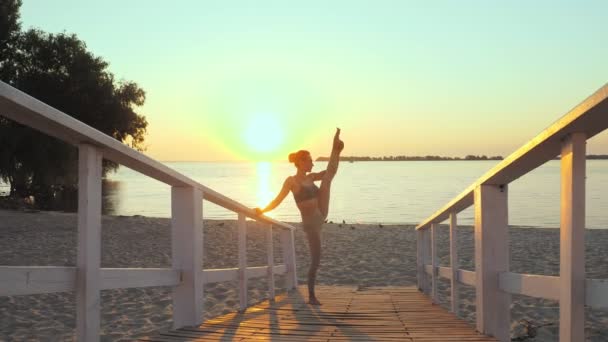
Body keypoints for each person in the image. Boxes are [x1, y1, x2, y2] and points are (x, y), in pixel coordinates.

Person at [254, 128, 344, 305]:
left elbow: (330, 172)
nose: (312, 163)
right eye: (310, 160)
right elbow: (277, 199)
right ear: (301, 162)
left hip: (321, 211)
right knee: (316, 259)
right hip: (311, 224)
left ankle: (335, 149)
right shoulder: (291, 182)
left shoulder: (311, 178)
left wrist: (335, 154)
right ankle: (311, 296)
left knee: (327, 178)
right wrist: (263, 210)